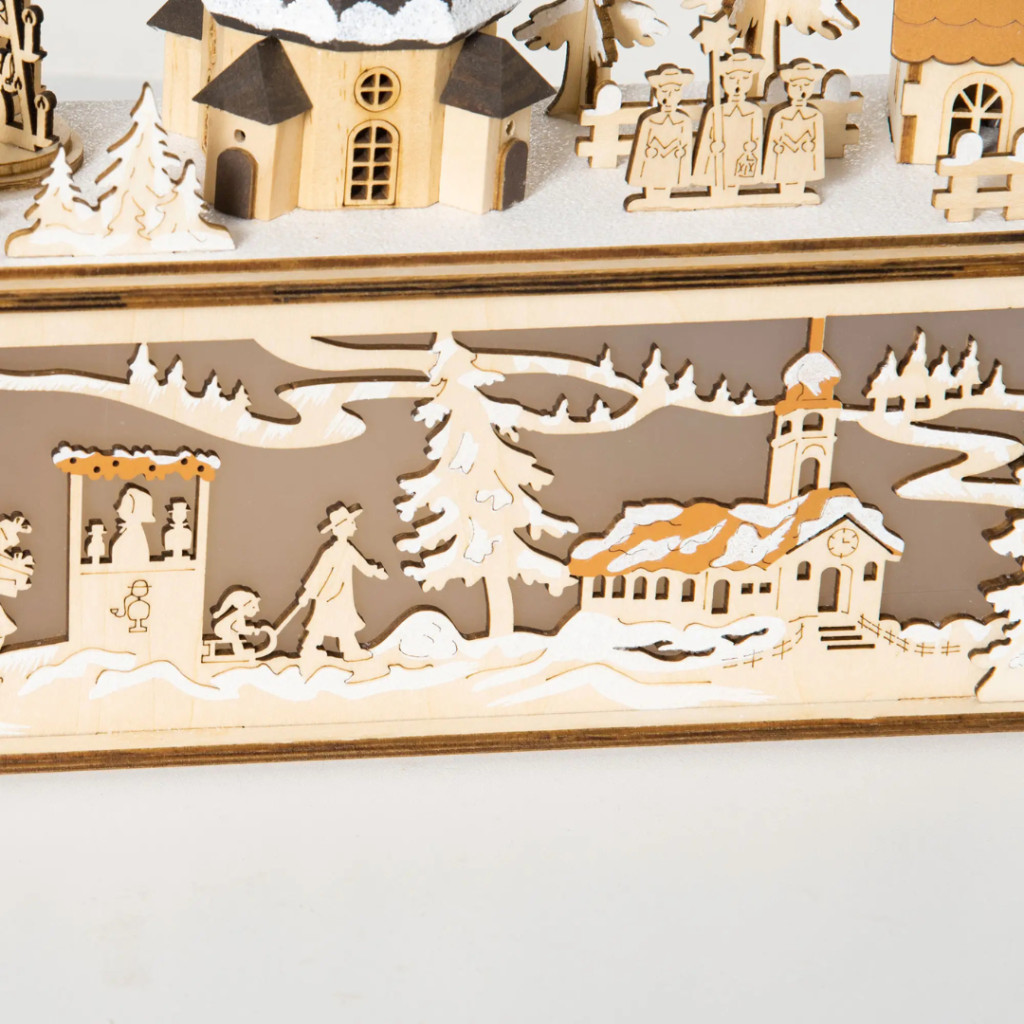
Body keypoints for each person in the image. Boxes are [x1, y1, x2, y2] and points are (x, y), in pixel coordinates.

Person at [296, 504, 388, 662]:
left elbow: (363, 565)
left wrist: (375, 571)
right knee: (326, 623)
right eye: (352, 523)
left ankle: (314, 648)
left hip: (341, 595)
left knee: (338, 622)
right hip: (328, 596)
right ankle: (316, 649)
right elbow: (317, 574)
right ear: (341, 527)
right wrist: (306, 593)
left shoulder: (348, 549)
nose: (355, 527)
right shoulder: (330, 551)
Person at [694, 51, 766, 193]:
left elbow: (756, 138)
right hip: (720, 159)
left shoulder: (754, 111)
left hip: (742, 157)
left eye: (745, 78)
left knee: (735, 179)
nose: (738, 83)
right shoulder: (716, 111)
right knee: (720, 181)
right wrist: (712, 147)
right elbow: (706, 140)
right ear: (723, 80)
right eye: (732, 78)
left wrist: (751, 146)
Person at [626, 65, 695, 203]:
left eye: (676, 91)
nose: (669, 96)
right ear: (656, 92)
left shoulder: (684, 121)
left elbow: (685, 149)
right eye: (664, 91)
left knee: (669, 175)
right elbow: (640, 150)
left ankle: (665, 197)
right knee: (653, 176)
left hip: (672, 161)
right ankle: (651, 197)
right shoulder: (650, 120)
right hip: (653, 160)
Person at [764, 60, 826, 198]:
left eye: (807, 85)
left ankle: (798, 191)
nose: (801, 89)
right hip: (784, 154)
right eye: (796, 85)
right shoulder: (780, 115)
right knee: (786, 171)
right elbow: (773, 141)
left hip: (803, 154)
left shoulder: (814, 115)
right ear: (788, 87)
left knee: (800, 171)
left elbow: (817, 144)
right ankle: (784, 190)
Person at [210, 587, 262, 658]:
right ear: (246, 605)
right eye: (253, 607)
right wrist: (253, 630)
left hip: (223, 627)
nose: (258, 610)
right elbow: (238, 627)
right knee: (235, 638)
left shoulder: (237, 611)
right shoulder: (239, 613)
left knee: (235, 636)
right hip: (221, 629)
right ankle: (240, 655)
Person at [109, 486, 154, 567]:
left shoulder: (135, 533)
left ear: (133, 509)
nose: (118, 508)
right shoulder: (127, 530)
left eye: (124, 504)